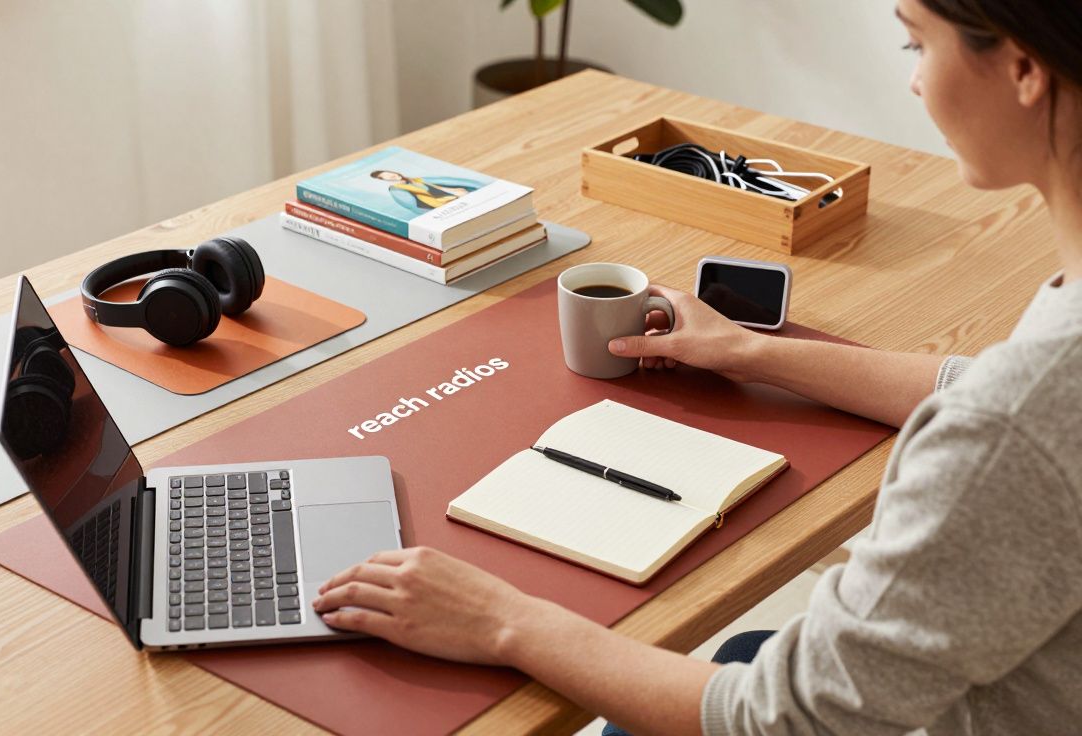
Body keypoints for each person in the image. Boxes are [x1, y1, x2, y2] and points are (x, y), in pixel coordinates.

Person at [312, 1, 1082, 733]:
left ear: (1022, 67)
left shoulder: (1009, 428)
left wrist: (501, 619)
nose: (913, 79)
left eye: (918, 42)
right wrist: (750, 351)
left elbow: (779, 720)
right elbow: (993, 389)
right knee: (745, 652)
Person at [369, 168, 480, 212]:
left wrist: (455, 190)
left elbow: (438, 186)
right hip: (441, 206)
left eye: (390, 173)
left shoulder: (415, 180)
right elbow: (414, 205)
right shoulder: (396, 189)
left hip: (452, 198)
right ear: (384, 180)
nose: (391, 176)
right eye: (386, 177)